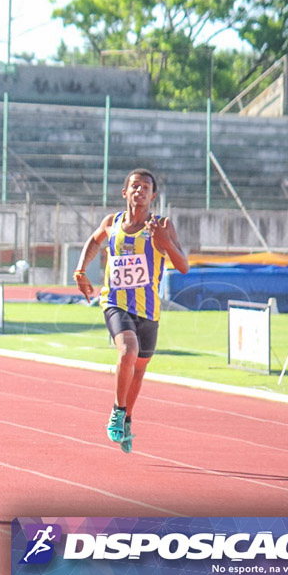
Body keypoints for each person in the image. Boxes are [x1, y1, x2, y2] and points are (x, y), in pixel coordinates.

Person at [74, 168, 189, 454]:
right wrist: (80, 269)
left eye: (146, 188)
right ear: (125, 192)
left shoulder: (162, 225)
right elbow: (94, 240)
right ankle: (117, 409)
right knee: (128, 350)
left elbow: (184, 266)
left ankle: (126, 418)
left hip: (149, 309)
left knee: (139, 369)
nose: (140, 191)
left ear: (153, 196)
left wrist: (164, 244)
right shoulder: (112, 222)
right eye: (135, 186)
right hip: (114, 301)